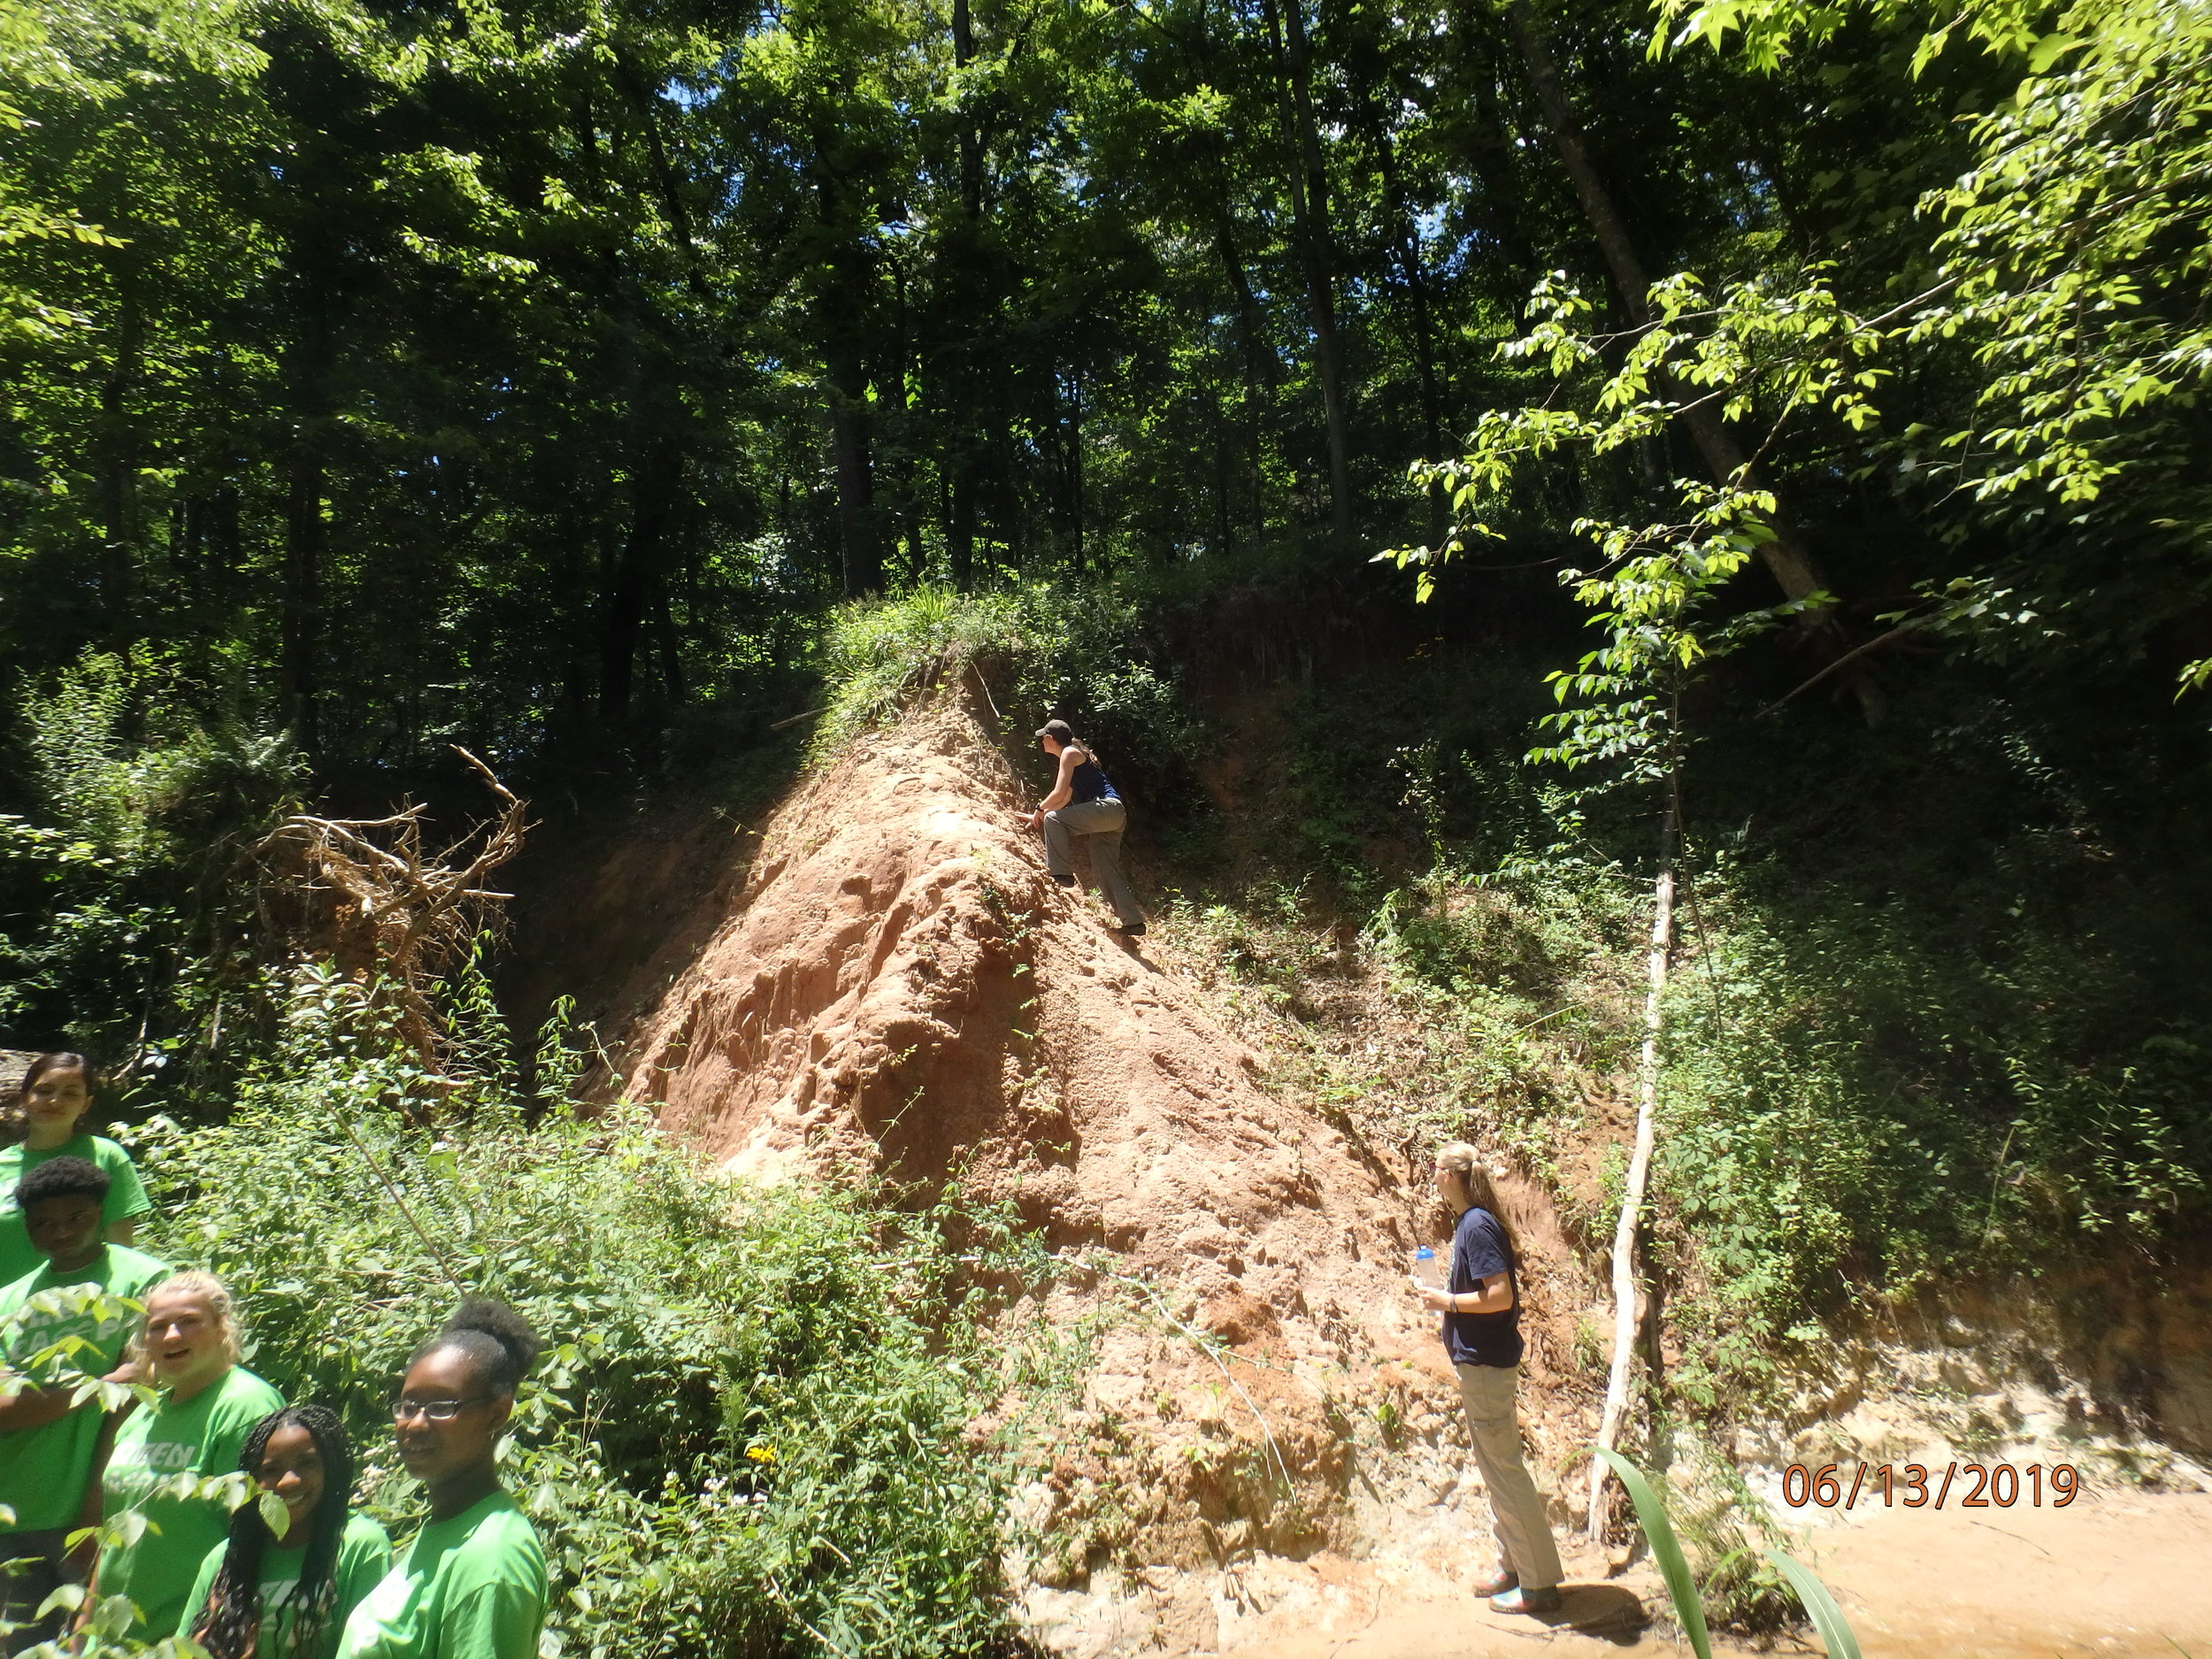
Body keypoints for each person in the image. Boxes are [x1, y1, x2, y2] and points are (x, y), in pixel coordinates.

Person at [0, 1157, 171, 1647]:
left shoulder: (148, 1282)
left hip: (105, 1504)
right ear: (28, 1230)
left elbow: (137, 1398)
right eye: (44, 1224)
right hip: (16, 1510)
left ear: (100, 1212)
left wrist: (96, 1506)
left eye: (75, 1218)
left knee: (101, 1643)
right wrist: (99, 1385)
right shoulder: (12, 1300)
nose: (60, 1232)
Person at [334, 1300, 548, 1659]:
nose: (415, 1424)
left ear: (497, 1414)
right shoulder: (448, 1528)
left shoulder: (491, 1556)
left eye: (443, 1406)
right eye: (408, 1405)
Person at [1409, 1142, 1564, 1616]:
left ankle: (1538, 1585)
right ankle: (1514, 1567)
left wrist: (1446, 1302)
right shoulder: (1473, 1222)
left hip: (1487, 1365)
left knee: (1505, 1470)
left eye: (1436, 1170)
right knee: (1496, 1468)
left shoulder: (1476, 1225)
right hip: (1480, 1362)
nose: (1432, 1177)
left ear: (1452, 1177)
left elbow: (1499, 1296)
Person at [94, 1271, 286, 1639]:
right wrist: (83, 1628)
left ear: (220, 1327)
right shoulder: (147, 1412)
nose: (171, 1336)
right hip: (111, 1640)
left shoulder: (245, 1406)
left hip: (188, 1637)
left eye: (189, 1322)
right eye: (158, 1326)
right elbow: (110, 1536)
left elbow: (257, 1537)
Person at [182, 1405, 392, 1659]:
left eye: (307, 1464)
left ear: (332, 1468)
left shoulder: (361, 1546)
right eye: (271, 1470)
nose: (288, 1481)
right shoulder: (225, 1559)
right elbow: (185, 1650)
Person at [0, 1055, 153, 1288]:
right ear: (24, 1099)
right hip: (10, 1311)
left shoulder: (106, 1156)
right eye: (44, 1091)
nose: (54, 1101)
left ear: (86, 1104)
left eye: (70, 1093)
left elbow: (121, 1245)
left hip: (86, 1306)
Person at [1022, 719, 1145, 935]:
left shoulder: (1069, 753)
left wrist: (1040, 809)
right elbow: (1064, 799)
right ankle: (1133, 922)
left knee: (1054, 820)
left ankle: (1061, 874)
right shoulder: (1071, 755)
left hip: (1106, 809)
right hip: (1113, 815)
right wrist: (1039, 815)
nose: (1041, 742)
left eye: (1043, 738)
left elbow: (1058, 795)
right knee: (1104, 869)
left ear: (1051, 739)